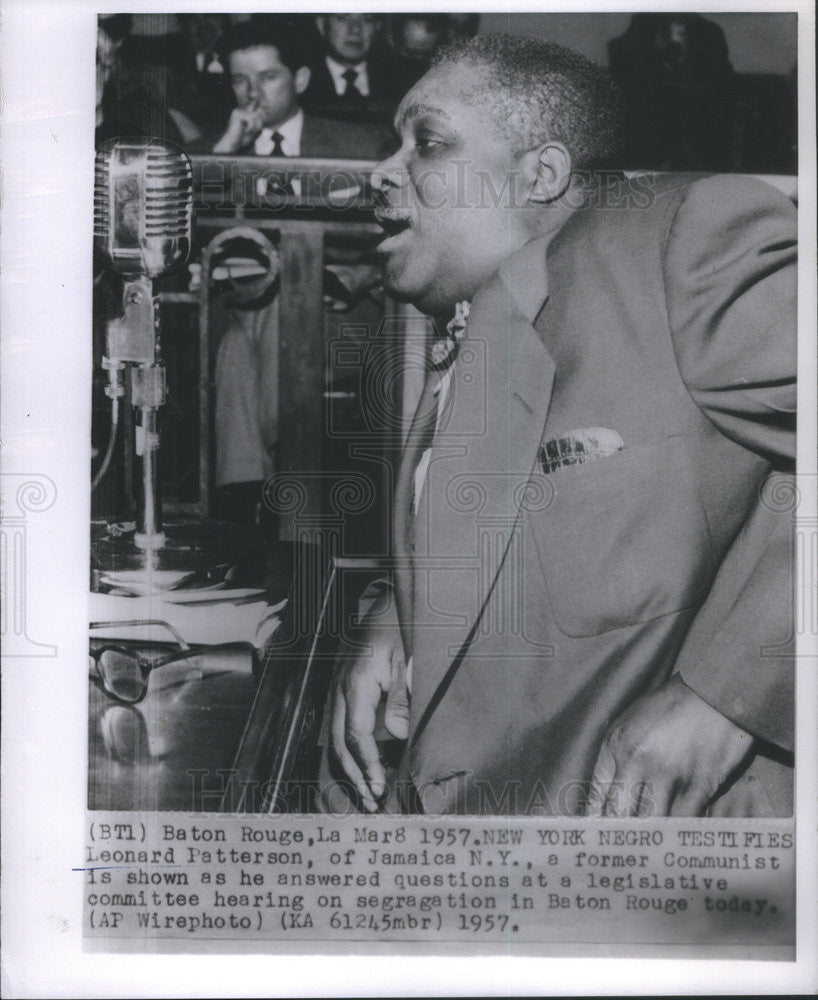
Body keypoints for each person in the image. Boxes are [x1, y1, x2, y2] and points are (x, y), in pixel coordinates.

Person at [324, 34, 796, 817]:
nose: (381, 171)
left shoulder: (684, 239)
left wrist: (728, 697)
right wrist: (406, 609)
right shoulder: (485, 319)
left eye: (428, 143)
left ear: (540, 174)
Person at [207, 19, 393, 158]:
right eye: (239, 80)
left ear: (300, 80)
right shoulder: (209, 151)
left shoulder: (361, 146)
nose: (253, 92)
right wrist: (226, 151)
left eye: (268, 77)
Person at [302, 13, 423, 125]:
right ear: (321, 24)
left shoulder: (403, 82)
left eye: (367, 19)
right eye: (343, 18)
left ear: (378, 26)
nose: (355, 30)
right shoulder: (300, 85)